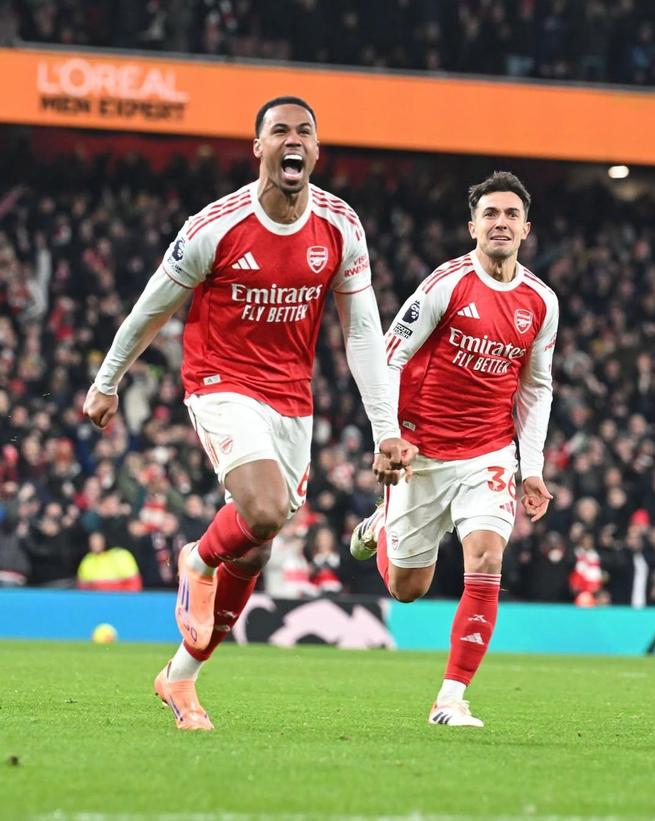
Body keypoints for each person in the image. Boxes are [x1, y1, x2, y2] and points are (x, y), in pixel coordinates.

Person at [83, 96, 416, 731]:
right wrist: (108, 380)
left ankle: (181, 677)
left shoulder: (341, 226)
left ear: (316, 151)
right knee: (262, 511)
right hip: (220, 383)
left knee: (256, 551)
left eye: (304, 132)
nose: (293, 140)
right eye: (279, 131)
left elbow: (363, 334)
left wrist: (386, 430)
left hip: (292, 400)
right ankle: (196, 559)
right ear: (258, 147)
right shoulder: (215, 226)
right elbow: (152, 307)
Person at [351, 171, 559, 727]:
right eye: (490, 214)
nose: (501, 223)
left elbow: (536, 387)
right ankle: (382, 525)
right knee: (407, 589)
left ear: (526, 229)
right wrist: (387, 435)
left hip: (489, 452)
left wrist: (531, 468)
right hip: (422, 451)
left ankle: (450, 698)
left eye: (511, 215)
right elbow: (390, 356)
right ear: (473, 227)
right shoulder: (446, 284)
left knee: (487, 557)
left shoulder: (541, 302)